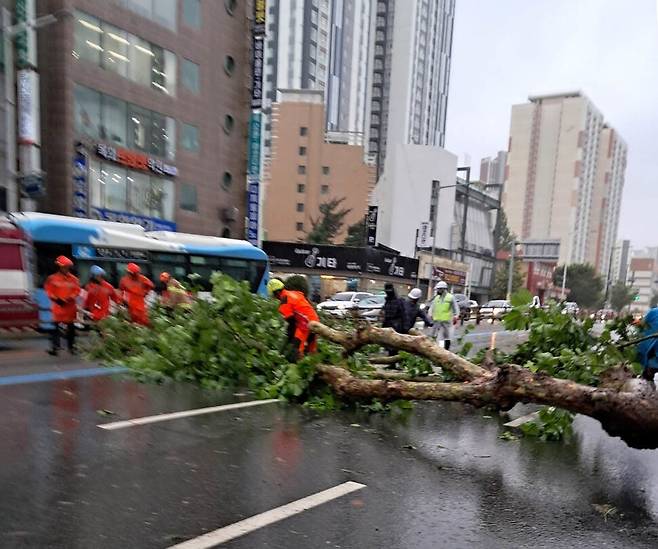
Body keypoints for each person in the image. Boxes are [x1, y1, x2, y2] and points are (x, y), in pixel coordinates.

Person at [267, 278, 319, 362]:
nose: (275, 298)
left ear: (276, 292)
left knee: (297, 349)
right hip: (314, 319)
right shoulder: (293, 293)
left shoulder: (284, 301)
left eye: (274, 296)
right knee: (311, 348)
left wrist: (290, 336)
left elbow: (291, 322)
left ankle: (299, 366)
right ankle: (315, 365)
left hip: (304, 323)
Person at [44, 255, 81, 356]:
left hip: (70, 308)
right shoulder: (52, 278)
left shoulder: (74, 279)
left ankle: (72, 347)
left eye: (68, 267)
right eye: (64, 267)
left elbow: (77, 291)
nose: (66, 269)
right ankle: (55, 348)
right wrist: (56, 299)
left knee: (71, 329)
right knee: (55, 329)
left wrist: (69, 298)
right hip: (58, 307)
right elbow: (48, 291)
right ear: (59, 267)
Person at [429, 281, 460, 350]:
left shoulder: (450, 297)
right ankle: (438, 350)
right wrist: (430, 314)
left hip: (447, 322)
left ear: (443, 289)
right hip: (437, 321)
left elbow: (456, 308)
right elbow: (432, 307)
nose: (437, 291)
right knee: (436, 337)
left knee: (447, 337)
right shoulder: (437, 298)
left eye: (438, 289)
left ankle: (445, 350)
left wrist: (456, 316)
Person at [637, 307, 658, 381]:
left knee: (646, 378)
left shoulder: (654, 312)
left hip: (650, 349)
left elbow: (642, 324)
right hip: (653, 352)